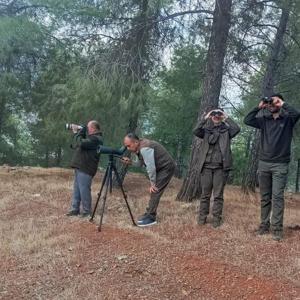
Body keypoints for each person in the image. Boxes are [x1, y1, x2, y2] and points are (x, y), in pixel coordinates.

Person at [244, 94, 300, 241]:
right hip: (264, 163)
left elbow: (297, 113)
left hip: (280, 164)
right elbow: (247, 120)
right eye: (270, 102)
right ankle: (264, 226)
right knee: (265, 197)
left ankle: (277, 230)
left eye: (274, 102)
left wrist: (282, 103)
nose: (271, 104)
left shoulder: (288, 120)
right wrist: (259, 106)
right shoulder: (264, 120)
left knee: (277, 197)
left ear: (279, 103)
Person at [193, 108, 240, 228]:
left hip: (220, 168)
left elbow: (237, 129)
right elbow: (196, 130)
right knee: (205, 195)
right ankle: (202, 218)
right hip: (206, 167)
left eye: (218, 114)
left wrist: (226, 117)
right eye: (214, 115)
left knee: (218, 195)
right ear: (211, 117)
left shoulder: (227, 131)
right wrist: (206, 117)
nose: (216, 116)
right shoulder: (206, 131)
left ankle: (216, 219)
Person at [121, 133, 176, 227]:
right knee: (154, 191)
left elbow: (151, 168)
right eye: (126, 146)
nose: (128, 149)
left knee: (155, 190)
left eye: (129, 146)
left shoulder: (144, 148)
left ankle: (151, 218)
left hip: (166, 167)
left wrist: (153, 183)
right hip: (160, 168)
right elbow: (139, 164)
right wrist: (130, 162)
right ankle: (149, 213)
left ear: (136, 142)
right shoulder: (139, 148)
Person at [66, 120, 103, 217]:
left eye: (88, 127)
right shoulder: (91, 138)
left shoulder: (96, 139)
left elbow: (81, 143)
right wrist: (80, 133)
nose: (87, 129)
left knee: (84, 189)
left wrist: (77, 132)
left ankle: (87, 212)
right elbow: (77, 144)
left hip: (86, 167)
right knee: (77, 189)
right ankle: (75, 209)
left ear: (93, 128)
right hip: (81, 166)